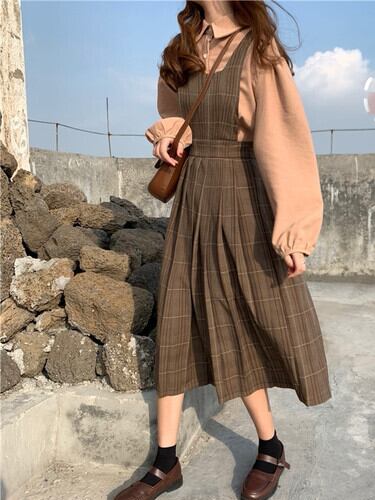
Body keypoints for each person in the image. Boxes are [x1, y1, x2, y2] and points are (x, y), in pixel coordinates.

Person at [115, 1, 332, 499]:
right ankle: (165, 462)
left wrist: (294, 231)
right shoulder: (182, 48)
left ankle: (270, 446)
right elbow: (173, 115)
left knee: (242, 316)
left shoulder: (259, 49)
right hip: (193, 197)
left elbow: (283, 141)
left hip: (242, 194)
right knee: (178, 314)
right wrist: (168, 139)